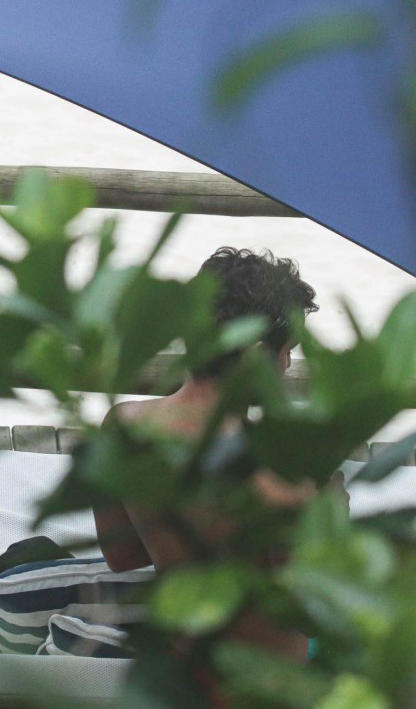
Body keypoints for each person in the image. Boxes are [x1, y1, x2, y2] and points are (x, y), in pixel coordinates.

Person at [94, 247, 321, 665]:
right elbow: (313, 609)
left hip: (179, 673)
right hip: (268, 681)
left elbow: (122, 556)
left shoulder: (124, 427)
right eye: (287, 350)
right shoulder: (278, 470)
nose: (288, 365)